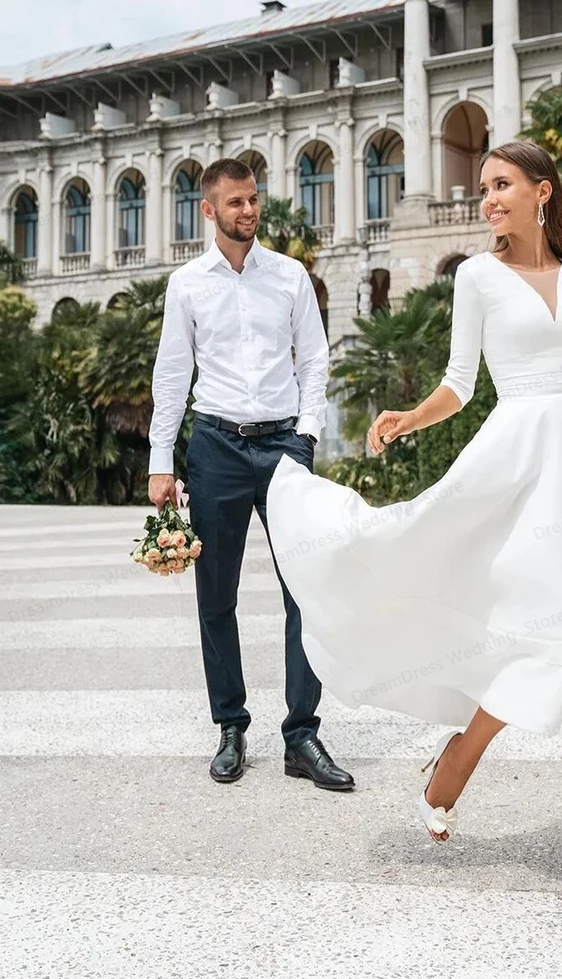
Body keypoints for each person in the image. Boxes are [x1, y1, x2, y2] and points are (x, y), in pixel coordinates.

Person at [266, 140, 562, 901]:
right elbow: (461, 384)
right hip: (521, 467)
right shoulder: (479, 278)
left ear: (542, 193)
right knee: (545, 631)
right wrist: (412, 417)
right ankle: (460, 756)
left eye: (501, 184)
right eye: (484, 185)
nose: (488, 197)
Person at [147, 157, 354, 792]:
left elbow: (315, 360)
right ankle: (231, 727)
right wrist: (160, 462)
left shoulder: (289, 276)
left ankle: (302, 735)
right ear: (208, 210)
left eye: (253, 199)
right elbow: (172, 375)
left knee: (306, 590)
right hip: (215, 446)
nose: (249, 211)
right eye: (235, 203)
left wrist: (308, 435)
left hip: (285, 444)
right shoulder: (187, 285)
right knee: (217, 595)